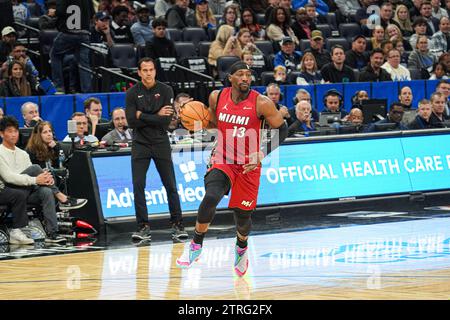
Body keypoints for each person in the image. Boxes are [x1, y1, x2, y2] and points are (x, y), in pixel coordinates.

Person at [175, 61, 288, 276]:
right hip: (223, 158)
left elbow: (281, 129)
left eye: (248, 74)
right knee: (211, 196)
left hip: (248, 165)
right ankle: (195, 246)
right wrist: (191, 120)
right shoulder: (217, 97)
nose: (245, 78)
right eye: (240, 74)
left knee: (242, 217)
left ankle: (241, 247)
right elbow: (212, 123)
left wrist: (262, 153)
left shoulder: (262, 102)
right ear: (230, 78)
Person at [125, 57, 186, 241]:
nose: (149, 73)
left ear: (155, 71)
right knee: (138, 186)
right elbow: (131, 121)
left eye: (151, 70)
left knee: (171, 186)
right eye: (145, 70)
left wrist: (142, 114)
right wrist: (154, 115)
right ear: (139, 72)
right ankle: (143, 227)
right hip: (140, 144)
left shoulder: (165, 90)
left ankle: (177, 224)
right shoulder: (132, 93)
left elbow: (166, 121)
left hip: (161, 142)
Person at [0, 116, 66, 243]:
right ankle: (59, 195)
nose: (14, 135)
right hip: (4, 190)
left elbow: (29, 179)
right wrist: (36, 180)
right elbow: (8, 178)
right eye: (9, 131)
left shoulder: (23, 154)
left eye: (15, 131)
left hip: (22, 191)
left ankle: (52, 233)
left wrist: (43, 180)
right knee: (35, 168)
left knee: (45, 192)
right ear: (1, 134)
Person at [25, 121, 87, 210]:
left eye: (50, 131)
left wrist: (56, 148)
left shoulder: (53, 147)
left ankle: (72, 201)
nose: (49, 134)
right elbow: (38, 171)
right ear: (38, 135)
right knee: (50, 174)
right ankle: (64, 200)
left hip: (51, 181)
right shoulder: (31, 150)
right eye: (45, 132)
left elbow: (61, 164)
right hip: (37, 183)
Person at [50, 0, 94, 94]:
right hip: (84, 34)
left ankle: (59, 88)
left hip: (69, 32)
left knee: (55, 55)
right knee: (83, 64)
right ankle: (87, 91)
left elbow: (61, 11)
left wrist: (54, 12)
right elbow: (92, 13)